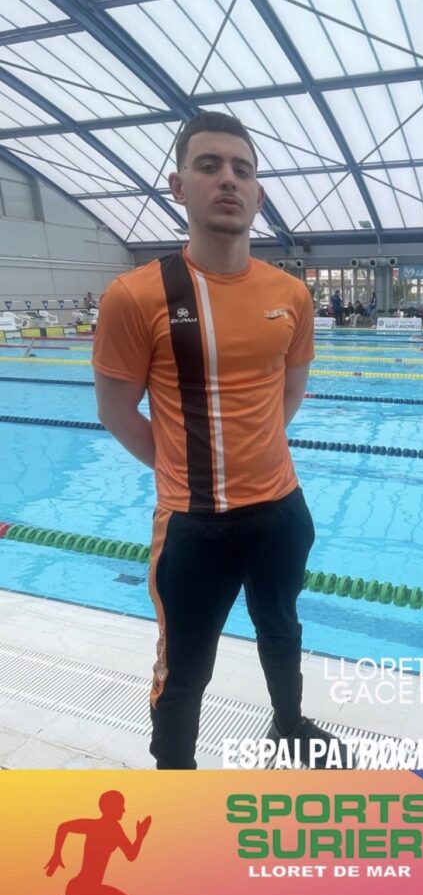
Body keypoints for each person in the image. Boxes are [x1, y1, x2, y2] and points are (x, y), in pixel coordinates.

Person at [93, 111, 352, 770]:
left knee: (282, 629)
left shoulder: (290, 294)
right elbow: (116, 412)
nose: (228, 179)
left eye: (242, 169)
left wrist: (254, 454)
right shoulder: (136, 296)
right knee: (185, 670)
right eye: (209, 166)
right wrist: (186, 470)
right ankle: (177, 786)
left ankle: (289, 726)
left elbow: (288, 393)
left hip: (281, 511)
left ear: (259, 194)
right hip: (194, 524)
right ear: (179, 187)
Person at [0, 791, 150, 895]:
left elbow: (130, 855)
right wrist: (56, 854)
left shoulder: (115, 829)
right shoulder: (97, 826)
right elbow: (64, 827)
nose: (123, 810)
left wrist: (140, 836)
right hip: (84, 887)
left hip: (88, 888)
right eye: (120, 806)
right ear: (109, 807)